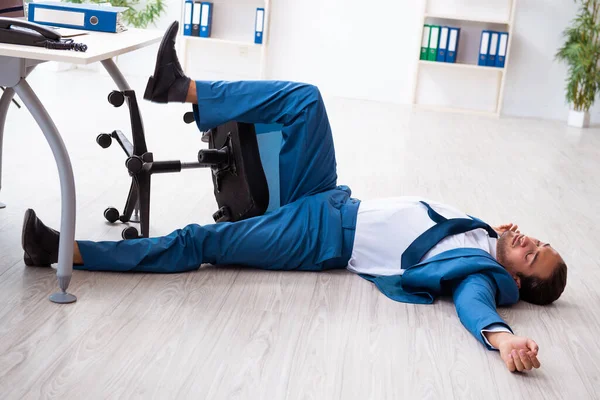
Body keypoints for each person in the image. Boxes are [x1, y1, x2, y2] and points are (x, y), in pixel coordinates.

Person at [21, 21, 567, 374]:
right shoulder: (477, 234)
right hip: (331, 198)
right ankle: (175, 87)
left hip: (319, 235)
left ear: (515, 282)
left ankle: (66, 251)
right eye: (537, 239)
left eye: (531, 253)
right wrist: (499, 233)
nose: (527, 239)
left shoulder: (479, 274)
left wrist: (503, 340)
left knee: (200, 242)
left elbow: (476, 305)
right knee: (306, 100)